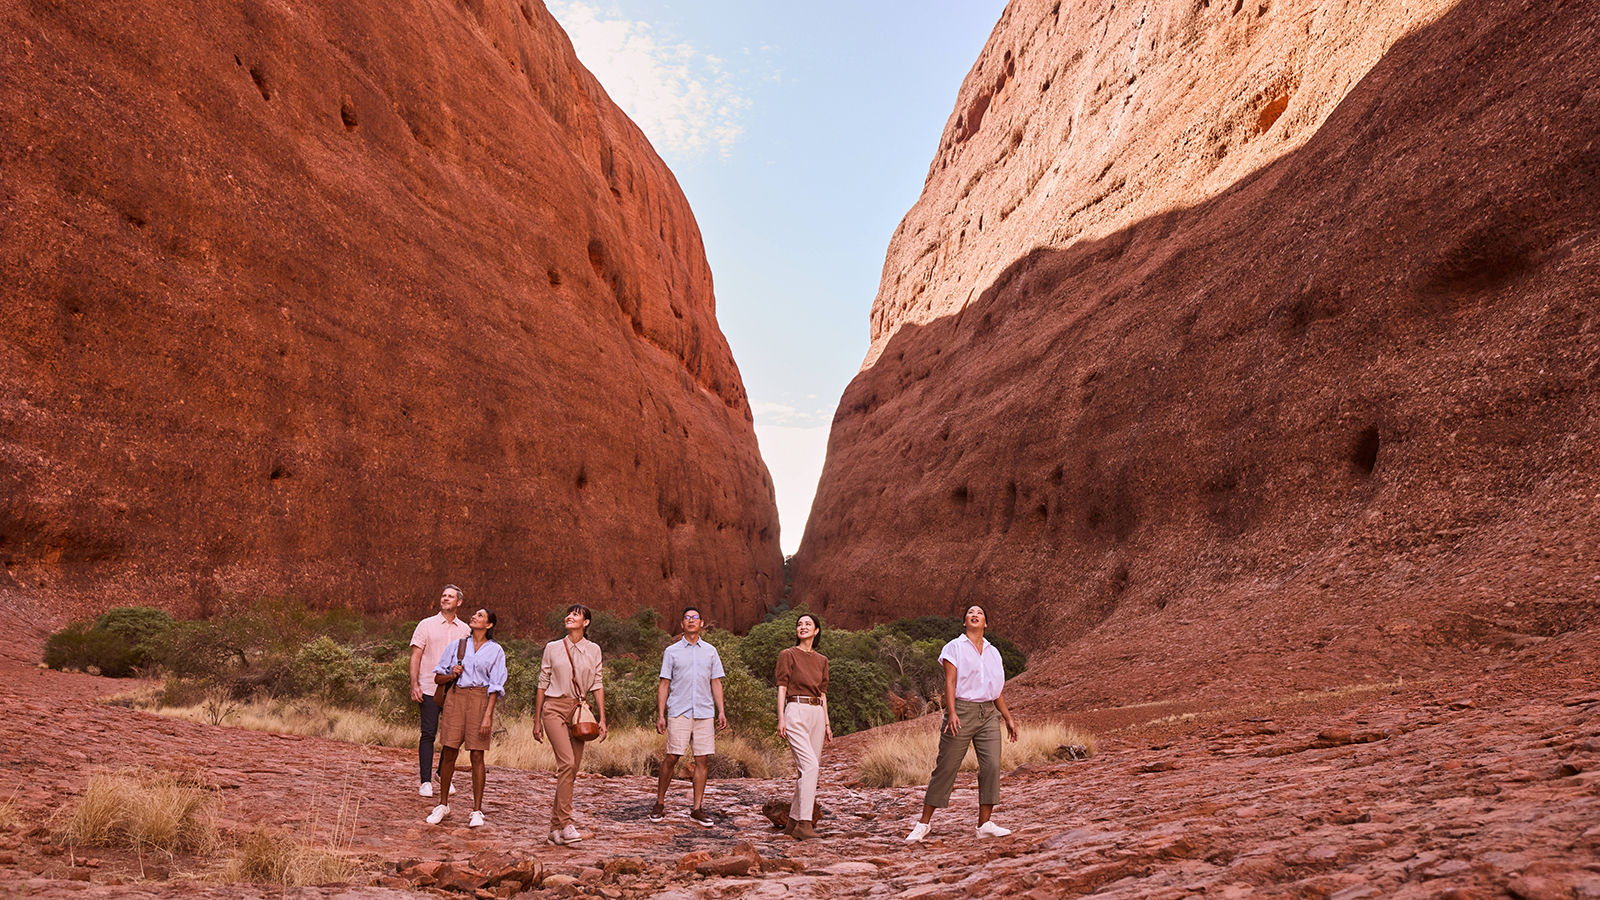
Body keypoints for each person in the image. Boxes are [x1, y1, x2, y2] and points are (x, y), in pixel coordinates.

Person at [905, 604, 1019, 842]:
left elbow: (996, 690)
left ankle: (985, 824)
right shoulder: (954, 647)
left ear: (986, 623)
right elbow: (950, 682)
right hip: (962, 711)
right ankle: (923, 824)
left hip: (989, 713)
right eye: (970, 613)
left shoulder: (993, 652)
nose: (974, 615)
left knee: (992, 766)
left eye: (979, 613)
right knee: (946, 767)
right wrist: (953, 712)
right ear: (964, 622)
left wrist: (1008, 718)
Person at [533, 604, 609, 846]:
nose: (570, 617)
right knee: (566, 763)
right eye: (569, 613)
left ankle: (554, 829)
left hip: (580, 711)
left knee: (571, 769)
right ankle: (565, 823)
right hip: (554, 708)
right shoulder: (553, 648)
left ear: (586, 623)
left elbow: (597, 682)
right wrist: (537, 720)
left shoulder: (594, 649)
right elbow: (542, 682)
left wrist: (602, 718)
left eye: (576, 614)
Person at [425, 608, 506, 829]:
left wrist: (487, 716)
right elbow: (438, 676)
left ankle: (477, 810)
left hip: (480, 700)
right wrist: (452, 673)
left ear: (489, 625)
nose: (474, 617)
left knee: (477, 754)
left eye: (480, 616)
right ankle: (443, 805)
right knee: (449, 750)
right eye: (475, 615)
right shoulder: (457, 646)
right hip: (456, 698)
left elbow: (495, 686)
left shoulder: (496, 651)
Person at [650, 606, 727, 826]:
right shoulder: (672, 651)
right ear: (682, 624)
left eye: (695, 618)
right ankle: (660, 803)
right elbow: (664, 684)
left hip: (704, 711)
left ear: (702, 623)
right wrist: (661, 715)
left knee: (702, 759)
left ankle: (697, 808)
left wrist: (721, 711)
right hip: (679, 711)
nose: (691, 621)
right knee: (673, 756)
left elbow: (716, 682)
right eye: (687, 618)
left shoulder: (711, 651)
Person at [409, 584, 471, 797]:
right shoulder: (426, 625)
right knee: (428, 734)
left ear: (458, 602)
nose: (445, 599)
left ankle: (442, 774)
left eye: (450, 596)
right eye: (443, 595)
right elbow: (415, 656)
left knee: (452, 736)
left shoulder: (465, 630)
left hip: (455, 689)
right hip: (428, 686)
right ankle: (425, 781)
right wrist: (414, 684)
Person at [775, 613, 831, 840]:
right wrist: (781, 718)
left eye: (808, 624)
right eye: (799, 624)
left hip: (817, 712)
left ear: (816, 630)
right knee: (810, 767)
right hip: (795, 710)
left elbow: (824, 694)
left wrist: (827, 723)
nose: (803, 627)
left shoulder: (822, 660)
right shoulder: (787, 655)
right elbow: (781, 687)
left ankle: (793, 823)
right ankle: (805, 824)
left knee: (807, 771)